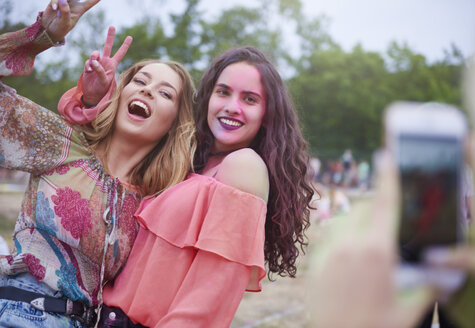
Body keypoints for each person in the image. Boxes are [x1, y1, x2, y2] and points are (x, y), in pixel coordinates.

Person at [65, 46, 314, 327]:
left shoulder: (243, 167)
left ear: (267, 114)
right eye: (223, 92)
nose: (232, 106)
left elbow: (208, 300)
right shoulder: (185, 162)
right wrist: (92, 98)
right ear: (208, 98)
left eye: (250, 99)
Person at [0, 2, 196, 327]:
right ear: (120, 94)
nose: (147, 90)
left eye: (164, 93)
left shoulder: (157, 202)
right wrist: (42, 35)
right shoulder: (62, 145)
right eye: (139, 81)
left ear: (174, 123)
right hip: (21, 313)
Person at [308, 9, 475, 328]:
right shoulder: (461, 168)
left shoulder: (410, 169)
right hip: (451, 251)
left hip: (413, 249)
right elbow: (473, 211)